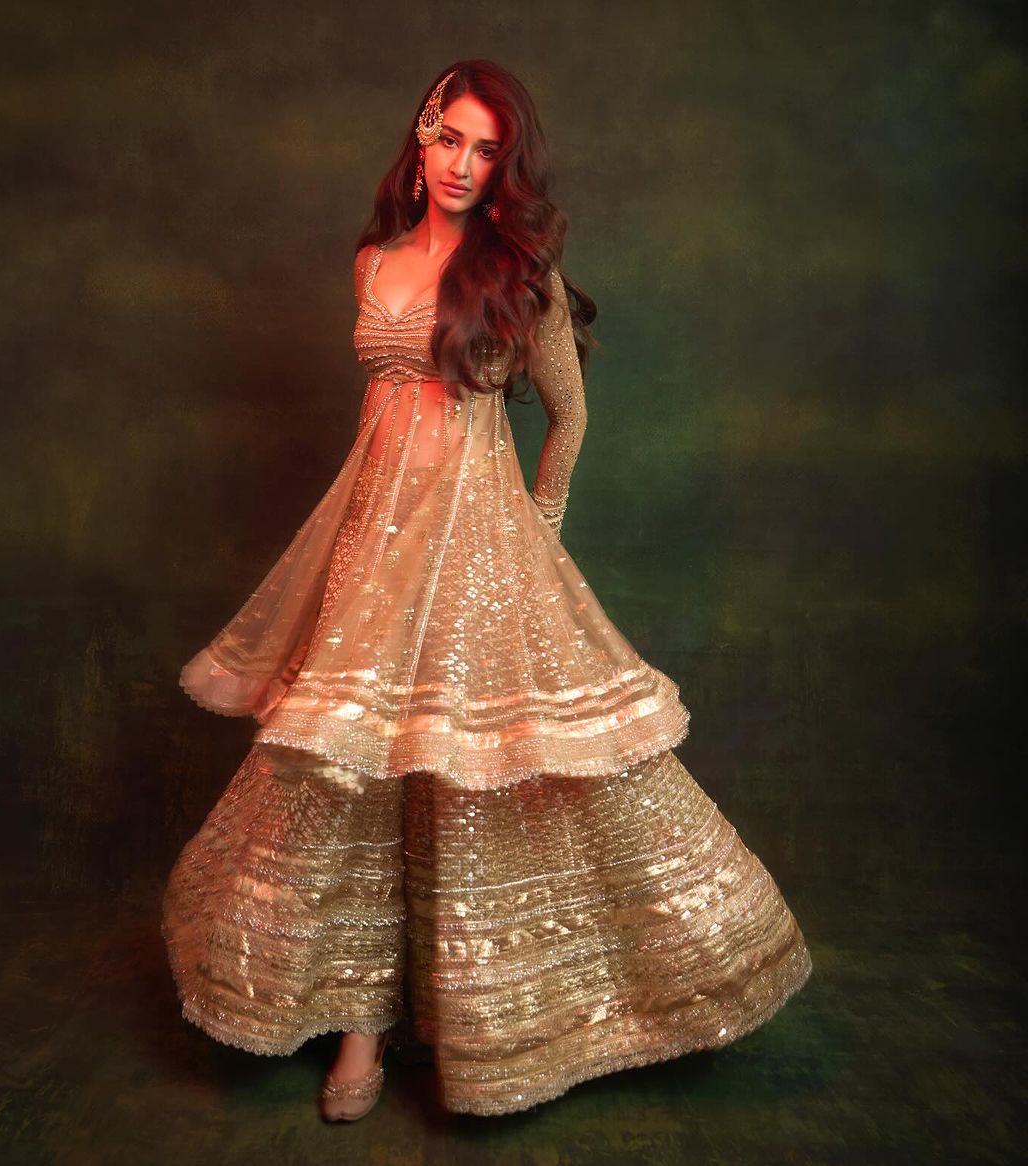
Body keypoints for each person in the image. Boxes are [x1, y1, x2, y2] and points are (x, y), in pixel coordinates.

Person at [161, 59, 812, 1123]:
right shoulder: (372, 263)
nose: (464, 165)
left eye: (487, 150)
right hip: (375, 545)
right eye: (450, 138)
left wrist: (537, 530)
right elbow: (381, 418)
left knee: (478, 774)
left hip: (479, 548)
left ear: (505, 168)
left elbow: (570, 413)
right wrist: (368, 534)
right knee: (355, 773)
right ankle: (360, 1023)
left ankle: (493, 1016)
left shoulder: (517, 270)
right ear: (420, 139)